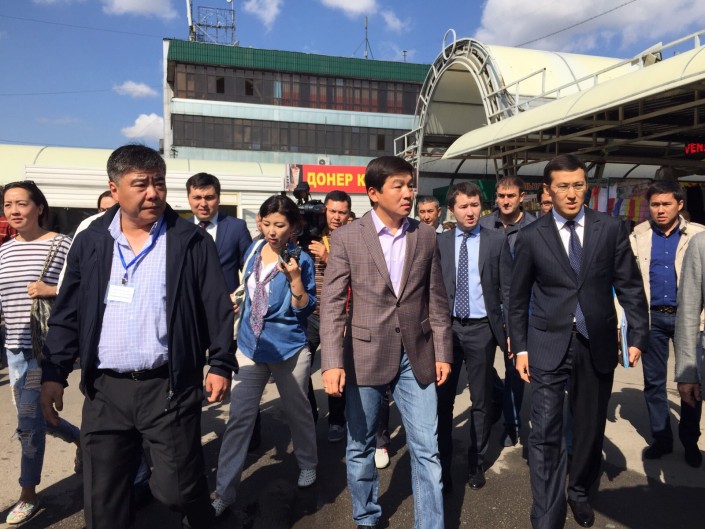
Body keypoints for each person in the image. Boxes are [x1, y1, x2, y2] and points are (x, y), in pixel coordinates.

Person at [39, 144, 236, 529]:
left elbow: (216, 306)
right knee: (103, 500)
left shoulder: (190, 240)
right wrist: (53, 373)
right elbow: (68, 312)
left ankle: (202, 516)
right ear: (114, 189)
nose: (153, 193)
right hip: (105, 390)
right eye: (141, 184)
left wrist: (220, 363)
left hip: (168, 386)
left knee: (177, 490)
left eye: (159, 183)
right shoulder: (92, 240)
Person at [508, 154, 648, 529]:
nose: (572, 194)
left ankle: (580, 491)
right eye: (563, 186)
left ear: (586, 186)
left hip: (595, 341)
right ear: (548, 191)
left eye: (578, 185)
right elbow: (517, 299)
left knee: (589, 428)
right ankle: (546, 514)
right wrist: (520, 347)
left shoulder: (611, 228)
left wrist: (637, 334)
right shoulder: (531, 236)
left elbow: (630, 285)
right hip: (547, 343)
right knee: (545, 432)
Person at [320, 155, 453, 529]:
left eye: (410, 185)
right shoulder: (347, 237)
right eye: (399, 186)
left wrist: (442, 351)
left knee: (427, 447)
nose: (408, 193)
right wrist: (331, 361)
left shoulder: (425, 235)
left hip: (417, 354)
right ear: (374, 193)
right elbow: (332, 303)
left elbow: (436, 299)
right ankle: (366, 517)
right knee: (360, 445)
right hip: (363, 354)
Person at [212, 194, 318, 517]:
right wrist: (236, 299)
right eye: (267, 223)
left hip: (288, 347)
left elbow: (305, 308)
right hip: (250, 344)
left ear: (293, 226)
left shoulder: (300, 259)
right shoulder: (254, 249)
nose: (272, 231)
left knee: (297, 411)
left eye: (280, 225)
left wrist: (295, 280)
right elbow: (248, 286)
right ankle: (223, 492)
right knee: (239, 419)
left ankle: (308, 463)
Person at [0, 181, 81, 525]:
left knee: (28, 422)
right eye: (8, 205)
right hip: (13, 348)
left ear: (40, 207)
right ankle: (83, 441)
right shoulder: (4, 251)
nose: (14, 211)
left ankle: (28, 493)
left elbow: (82, 286)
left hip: (44, 348)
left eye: (21, 203)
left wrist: (50, 289)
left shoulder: (61, 244)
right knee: (37, 418)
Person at [436, 181, 510, 492]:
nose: (470, 212)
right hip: (447, 329)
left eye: (475, 205)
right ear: (451, 210)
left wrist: (509, 332)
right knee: (443, 401)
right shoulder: (440, 243)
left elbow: (508, 289)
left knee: (481, 400)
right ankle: (442, 464)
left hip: (482, 330)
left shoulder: (496, 240)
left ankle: (476, 462)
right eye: (464, 206)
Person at [630, 180, 705, 466]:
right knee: (654, 383)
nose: (660, 210)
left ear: (680, 204)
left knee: (691, 381)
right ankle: (661, 438)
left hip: (690, 319)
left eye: (666, 204)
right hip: (652, 319)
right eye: (655, 205)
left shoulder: (697, 235)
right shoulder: (638, 235)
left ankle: (690, 441)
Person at [479, 175, 537, 447]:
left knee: (515, 366)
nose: (505, 201)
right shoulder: (483, 225)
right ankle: (496, 399)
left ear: (521, 197)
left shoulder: (535, 227)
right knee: (479, 362)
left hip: (520, 306)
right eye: (501, 196)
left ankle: (511, 425)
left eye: (510, 196)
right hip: (487, 305)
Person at [306, 190, 352, 443]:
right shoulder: (311, 234)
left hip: (339, 317)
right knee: (300, 368)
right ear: (324, 210)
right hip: (311, 315)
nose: (336, 216)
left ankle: (336, 420)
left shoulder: (353, 238)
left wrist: (327, 257)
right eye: (332, 211)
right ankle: (310, 414)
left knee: (336, 370)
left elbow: (357, 275)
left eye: (342, 212)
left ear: (348, 213)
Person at [186, 172, 252, 293]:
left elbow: (252, 270)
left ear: (219, 198)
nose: (203, 204)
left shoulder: (237, 228)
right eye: (197, 198)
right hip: (190, 302)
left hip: (227, 302)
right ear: (188, 199)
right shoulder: (179, 230)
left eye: (209, 197)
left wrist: (239, 296)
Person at [674, 232, 705, 467]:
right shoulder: (701, 244)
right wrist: (686, 372)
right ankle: (690, 441)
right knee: (692, 402)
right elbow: (689, 310)